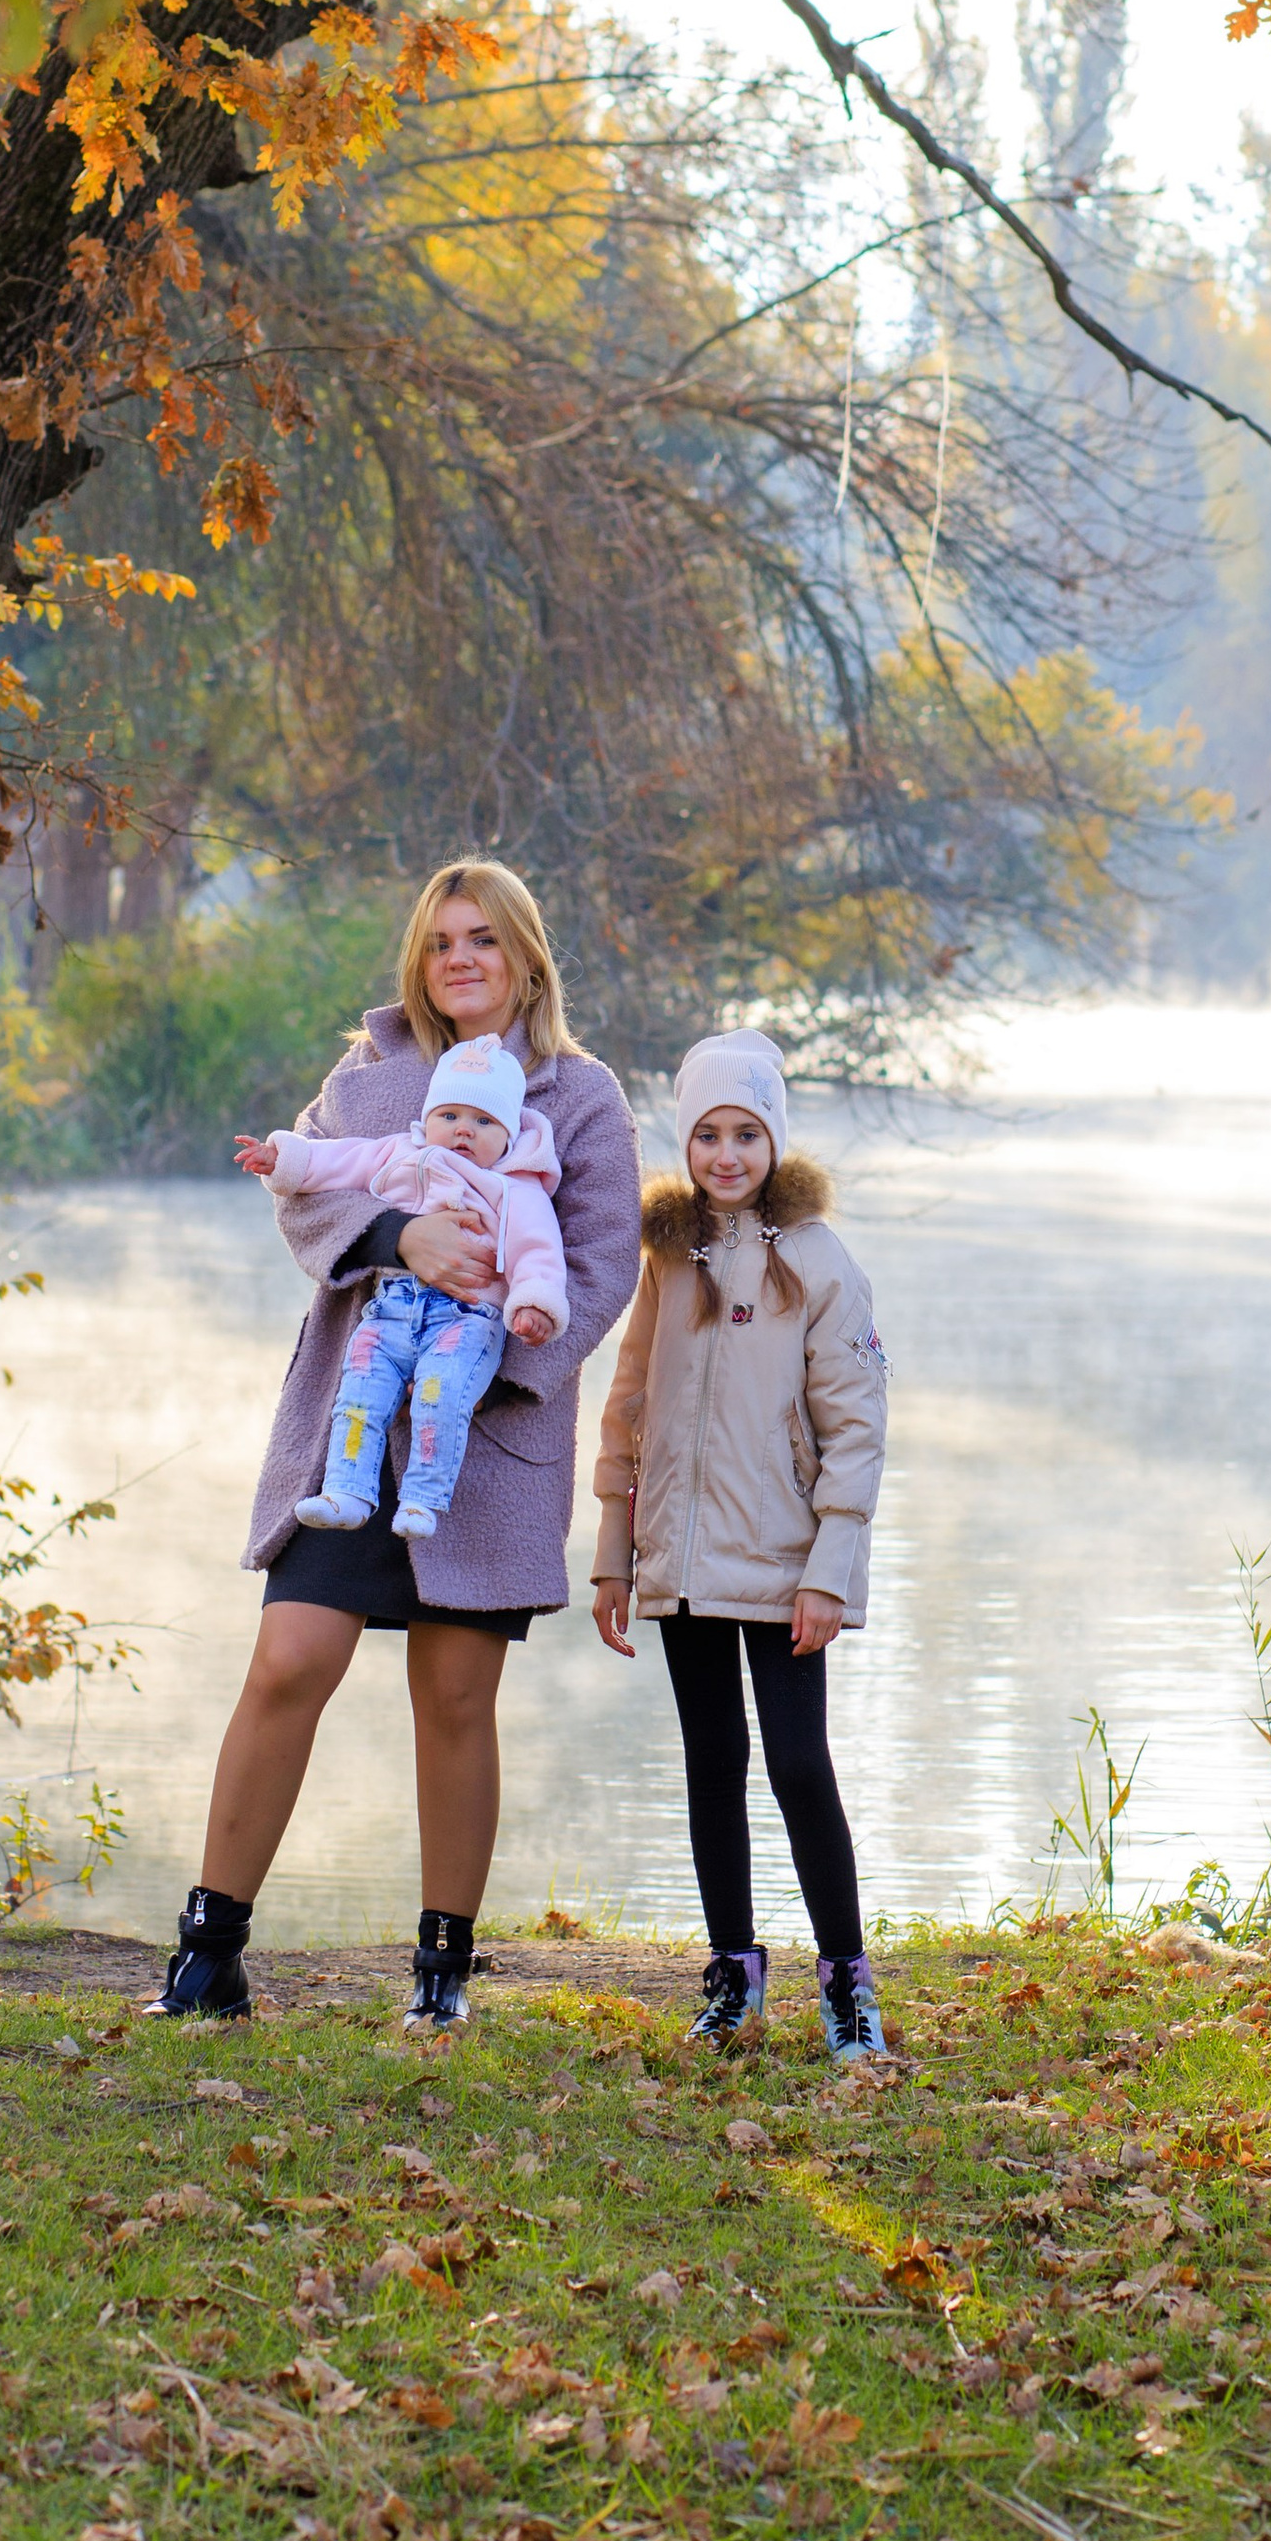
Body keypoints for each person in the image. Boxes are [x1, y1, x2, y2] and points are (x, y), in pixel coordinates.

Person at [148, 861, 641, 2033]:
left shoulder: (579, 1097)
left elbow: (602, 1263)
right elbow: (306, 1193)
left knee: (455, 1698)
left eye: (483, 939)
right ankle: (208, 1955)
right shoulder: (368, 1079)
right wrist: (398, 1235)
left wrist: (499, 1362)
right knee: (289, 1661)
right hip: (354, 1430)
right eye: (439, 942)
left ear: (525, 957)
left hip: (489, 1434)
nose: (459, 959)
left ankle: (442, 1974)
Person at [590, 1027, 891, 2064]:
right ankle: (732, 1974)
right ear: (686, 1143)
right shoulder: (667, 1261)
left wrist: (829, 1573)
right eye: (708, 1135)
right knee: (712, 1761)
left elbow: (856, 1427)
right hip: (678, 1561)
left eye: (746, 1134)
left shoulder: (817, 1263)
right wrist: (615, 1551)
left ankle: (845, 1981)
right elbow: (629, 1402)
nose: (726, 1155)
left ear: (774, 1141)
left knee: (799, 1765)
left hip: (781, 1562)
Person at [238, 1030, 568, 1537]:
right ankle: (347, 1491)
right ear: (428, 1119)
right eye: (450, 1116)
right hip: (390, 1309)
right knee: (359, 1393)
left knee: (441, 1396)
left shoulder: (514, 1189)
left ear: (509, 1135)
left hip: (466, 1319)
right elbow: (338, 1160)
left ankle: (423, 1499)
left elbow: (539, 1250)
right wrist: (283, 1160)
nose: (464, 1130)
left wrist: (533, 1302)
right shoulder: (400, 1152)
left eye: (484, 1121)